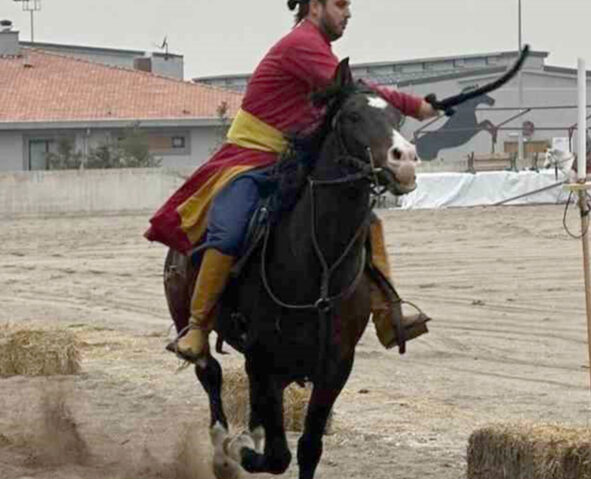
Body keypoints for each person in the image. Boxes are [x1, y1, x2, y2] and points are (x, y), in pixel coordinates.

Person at [145, 0, 436, 363]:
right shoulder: (302, 45)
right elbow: (355, 91)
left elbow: (355, 94)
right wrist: (414, 106)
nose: (348, 13)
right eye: (340, 4)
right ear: (314, 6)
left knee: (366, 221)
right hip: (249, 158)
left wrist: (414, 107)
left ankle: (386, 315)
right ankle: (198, 326)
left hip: (291, 161)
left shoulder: (321, 51)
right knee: (229, 230)